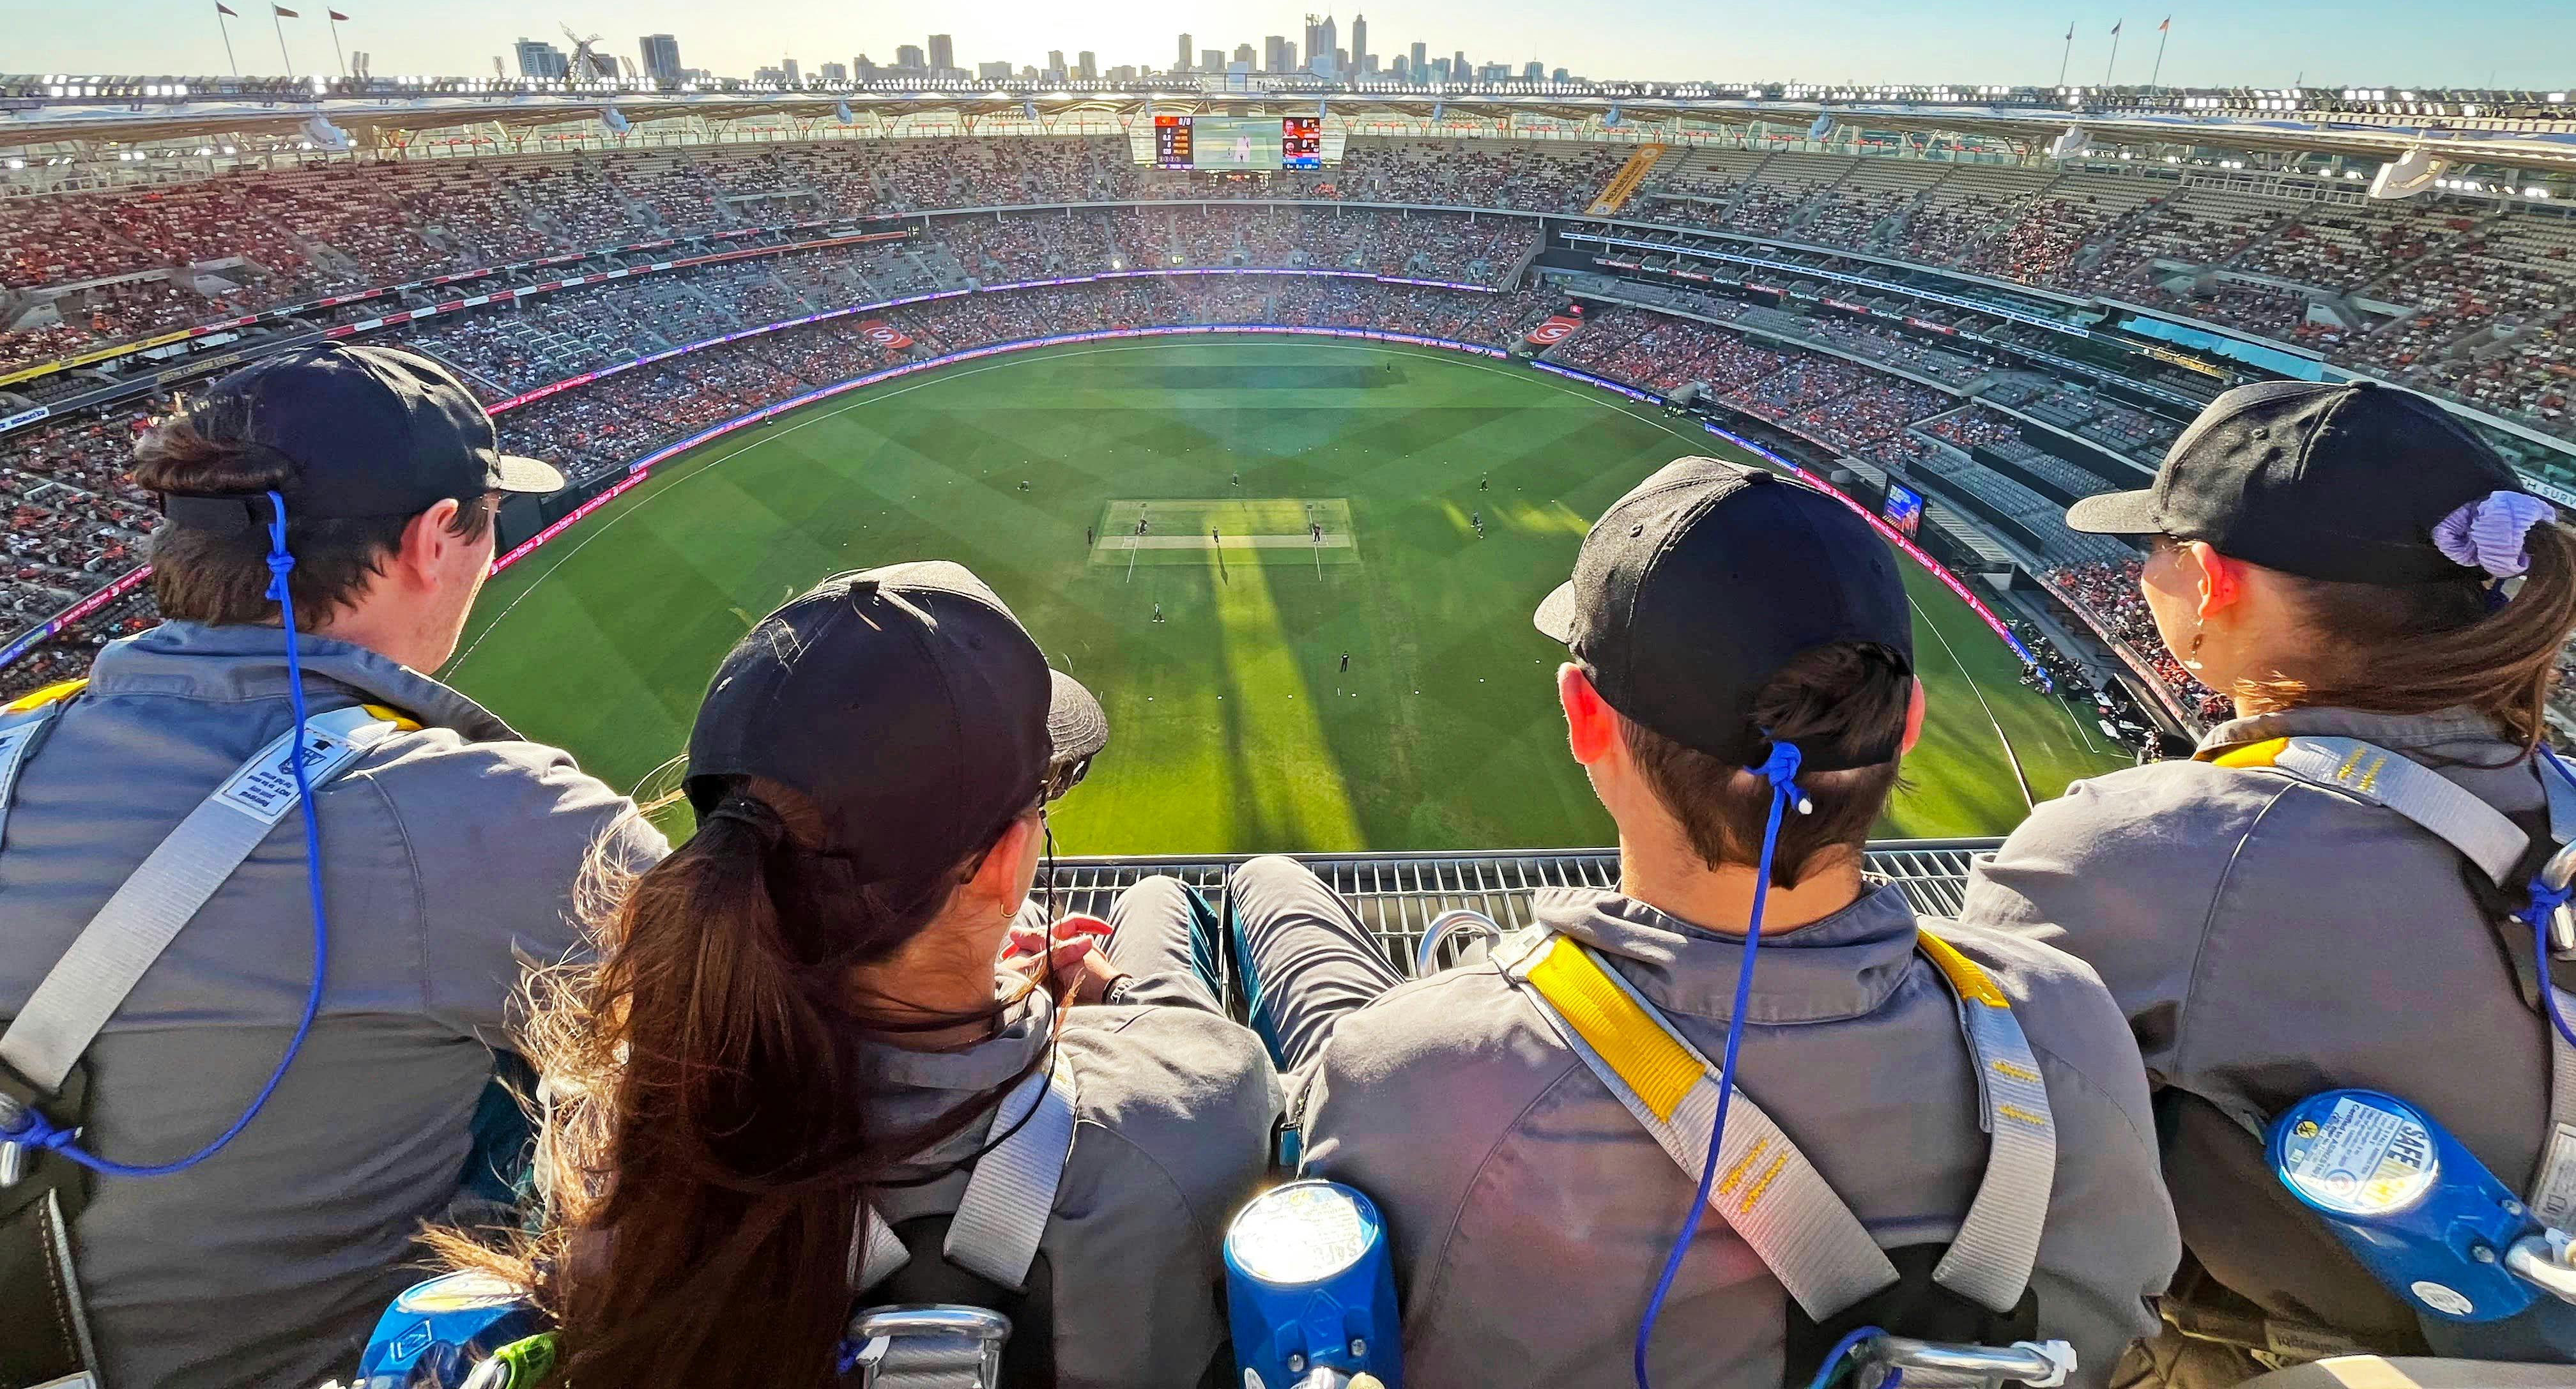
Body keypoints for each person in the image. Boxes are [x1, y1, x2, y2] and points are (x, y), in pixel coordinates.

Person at [1229, 458, 2176, 1386]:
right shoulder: (2066, 1022)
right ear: (1909, 722)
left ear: (1583, 718)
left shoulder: (1422, 1070)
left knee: (1271, 893)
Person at [0, 343, 665, 1389]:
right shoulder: (497, 817)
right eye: (489, 520)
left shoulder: (11, 752)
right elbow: (777, 1003)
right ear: (431, 540)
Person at [444, 564, 1279, 1389]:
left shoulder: (610, 1157)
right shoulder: (1194, 1106)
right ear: (1005, 866)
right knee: (1164, 903)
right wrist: (1100, 1003)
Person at [1958, 381, 2576, 1383]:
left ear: (2211, 581)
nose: (2143, 570)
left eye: (2154, 548)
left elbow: (1966, 1156)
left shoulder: (2141, 851)